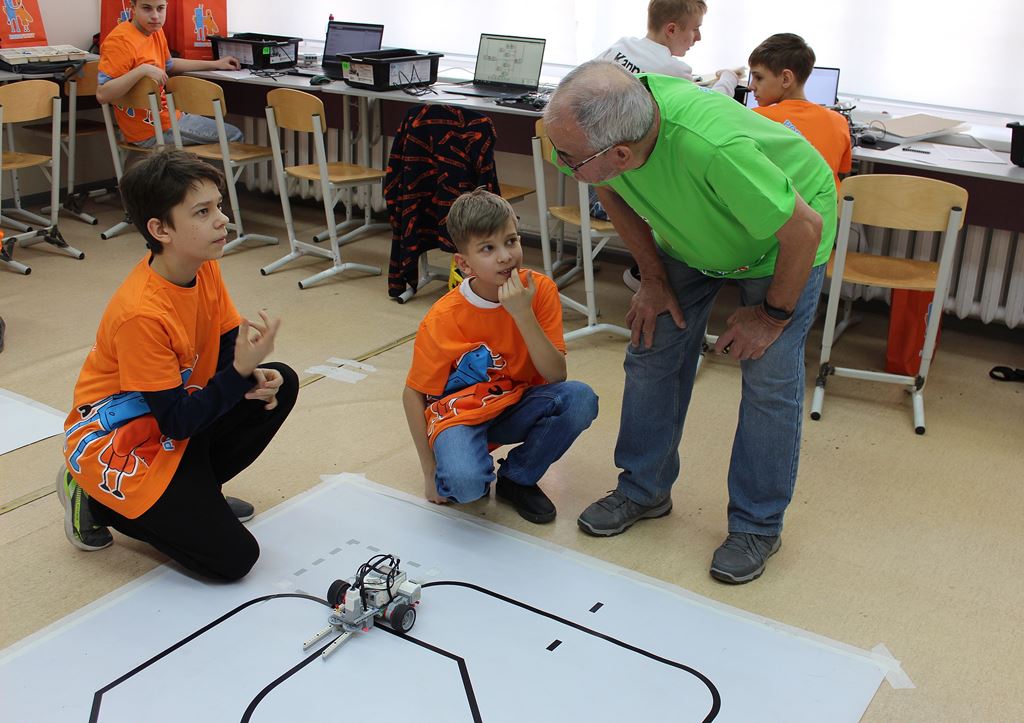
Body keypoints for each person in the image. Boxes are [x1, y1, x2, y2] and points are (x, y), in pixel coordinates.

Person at [544, 61, 837, 584]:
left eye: (569, 158)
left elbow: (803, 230)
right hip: (693, 231)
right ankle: (644, 489)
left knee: (769, 377)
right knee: (651, 345)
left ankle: (757, 526)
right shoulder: (599, 139)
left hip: (783, 241)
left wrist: (771, 316)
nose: (560, 163)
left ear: (621, 154)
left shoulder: (711, 147)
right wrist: (653, 279)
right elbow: (608, 190)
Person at [58, 149, 298, 581]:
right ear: (160, 229)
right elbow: (177, 423)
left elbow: (226, 344)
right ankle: (96, 499)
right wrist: (237, 374)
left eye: (218, 206)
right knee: (234, 560)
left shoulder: (201, 266)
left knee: (282, 383)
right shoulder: (141, 313)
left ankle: (199, 491)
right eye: (203, 212)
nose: (222, 220)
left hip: (171, 417)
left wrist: (249, 375)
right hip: (124, 443)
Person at [403, 190, 598, 523]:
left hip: (514, 404)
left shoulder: (539, 291)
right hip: (460, 415)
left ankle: (517, 478)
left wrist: (522, 313)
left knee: (579, 399)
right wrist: (428, 470)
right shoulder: (443, 317)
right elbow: (412, 394)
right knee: (466, 489)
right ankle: (467, 463)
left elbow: (556, 376)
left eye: (511, 241)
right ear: (464, 264)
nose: (506, 257)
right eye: (488, 249)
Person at [594, 0, 744, 290]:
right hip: (618, 194)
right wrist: (728, 77)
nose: (698, 38)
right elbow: (712, 107)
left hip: (596, 177)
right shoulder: (671, 69)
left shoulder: (619, 47)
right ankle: (658, 276)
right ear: (672, 29)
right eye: (695, 29)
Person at [96, 0, 243, 147]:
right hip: (152, 129)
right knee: (234, 135)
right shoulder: (120, 41)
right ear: (133, 8)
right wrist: (142, 70)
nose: (155, 16)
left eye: (160, 8)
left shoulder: (155, 30)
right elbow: (103, 94)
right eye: (147, 8)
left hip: (165, 119)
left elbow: (169, 64)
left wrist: (216, 64)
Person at [748, 33, 852, 190]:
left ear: (786, 79)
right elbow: (842, 170)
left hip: (782, 204)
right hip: (826, 205)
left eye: (758, 77)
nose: (751, 86)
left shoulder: (757, 119)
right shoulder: (839, 121)